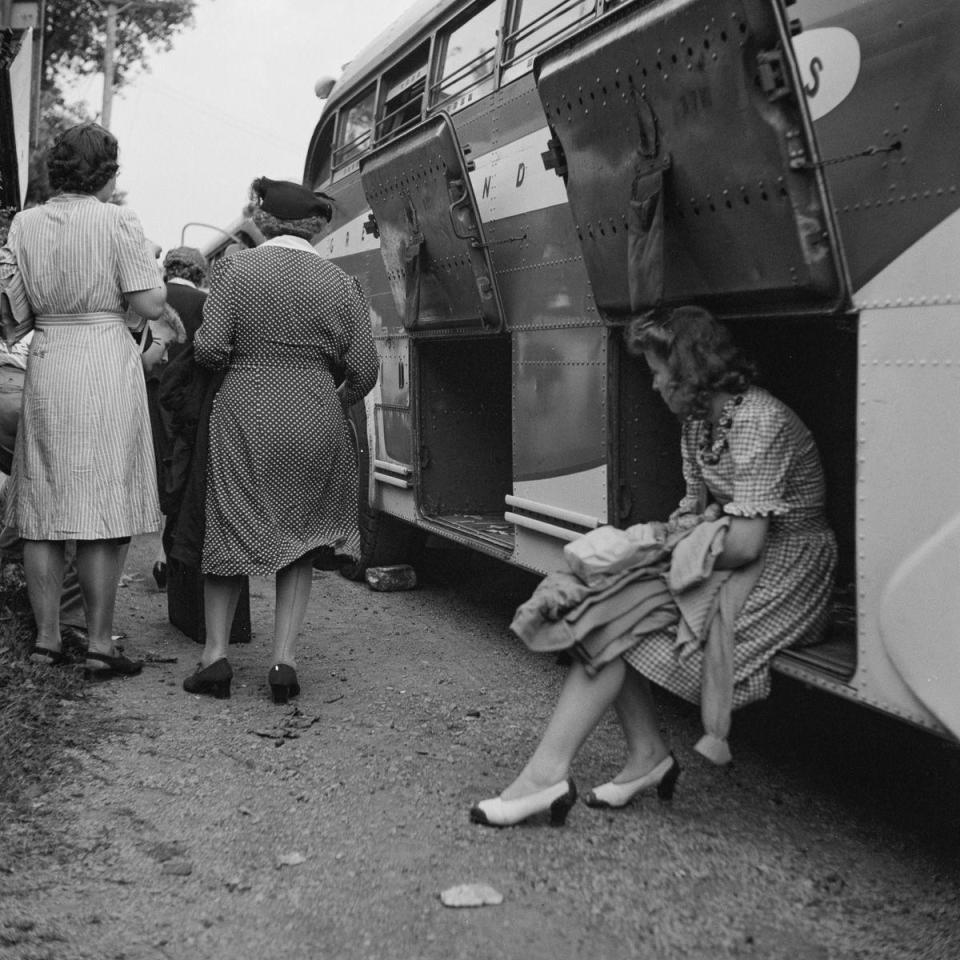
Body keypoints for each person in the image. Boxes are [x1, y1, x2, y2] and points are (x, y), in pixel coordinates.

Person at [470, 305, 837, 827]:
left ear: (689, 369)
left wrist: (660, 556)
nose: (656, 383)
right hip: (720, 546)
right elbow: (692, 510)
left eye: (660, 370)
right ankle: (637, 758)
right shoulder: (697, 421)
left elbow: (749, 543)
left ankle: (558, 773)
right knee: (608, 608)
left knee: (621, 623)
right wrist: (649, 554)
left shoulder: (759, 420)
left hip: (787, 565)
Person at [181, 176, 379, 702]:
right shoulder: (341, 284)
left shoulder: (234, 269)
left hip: (244, 409)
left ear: (265, 220)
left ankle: (215, 658)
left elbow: (207, 349)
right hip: (315, 414)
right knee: (301, 539)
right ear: (313, 227)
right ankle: (283, 665)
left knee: (228, 532)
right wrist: (324, 394)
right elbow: (363, 372)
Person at [0, 122, 166, 676]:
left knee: (42, 503)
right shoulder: (119, 220)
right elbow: (148, 301)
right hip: (102, 357)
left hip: (48, 358)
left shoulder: (25, 223)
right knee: (103, 504)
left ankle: (46, 639)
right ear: (108, 173)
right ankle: (98, 644)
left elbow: (13, 312)